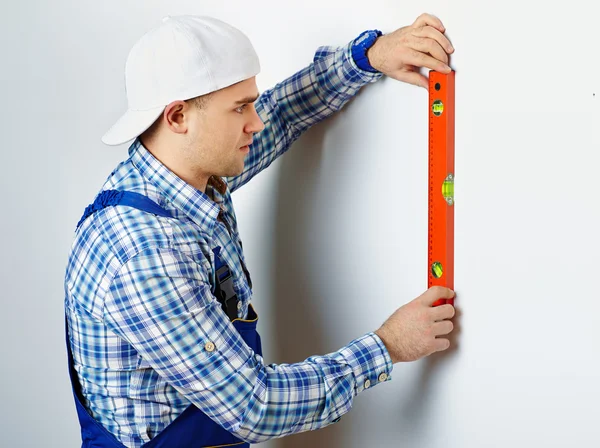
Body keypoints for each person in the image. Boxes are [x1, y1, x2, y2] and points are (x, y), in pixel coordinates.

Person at [64, 13, 457, 448]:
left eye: (249, 102)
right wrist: (387, 346)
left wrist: (366, 57)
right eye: (239, 108)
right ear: (177, 117)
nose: (254, 121)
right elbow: (254, 406)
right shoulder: (146, 251)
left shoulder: (189, 176)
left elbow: (282, 115)